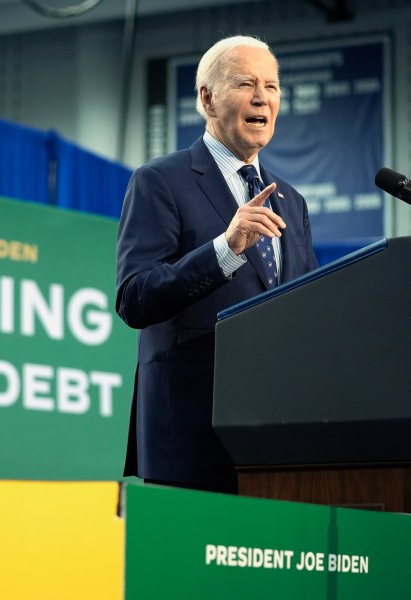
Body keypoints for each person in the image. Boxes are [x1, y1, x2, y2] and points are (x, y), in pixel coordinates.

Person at [115, 35, 318, 493]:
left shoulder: (292, 201)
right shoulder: (160, 181)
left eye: (272, 85)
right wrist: (224, 248)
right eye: (246, 83)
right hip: (190, 436)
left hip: (280, 438)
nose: (263, 97)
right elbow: (135, 298)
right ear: (207, 97)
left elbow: (309, 307)